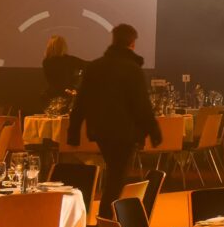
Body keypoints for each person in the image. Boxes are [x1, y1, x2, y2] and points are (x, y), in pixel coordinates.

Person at [65, 24, 157, 207]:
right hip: (125, 131)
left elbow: (81, 101)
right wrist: (154, 132)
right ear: (132, 43)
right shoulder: (132, 69)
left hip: (100, 130)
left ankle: (107, 217)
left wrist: (73, 131)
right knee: (117, 175)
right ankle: (107, 219)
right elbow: (142, 104)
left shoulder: (95, 67)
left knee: (115, 172)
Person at [41, 35, 85, 101]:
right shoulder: (69, 60)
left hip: (52, 94)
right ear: (63, 47)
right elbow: (88, 65)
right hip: (68, 93)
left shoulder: (46, 61)